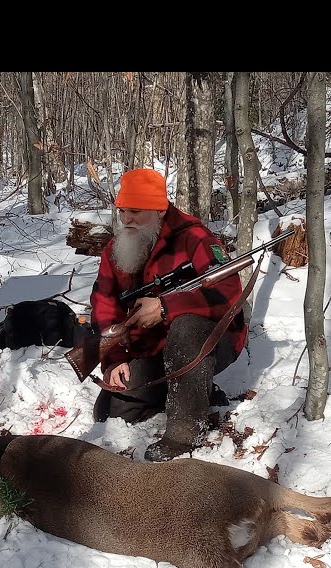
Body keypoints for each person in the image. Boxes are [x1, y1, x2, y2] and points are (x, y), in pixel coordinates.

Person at [91, 168, 246, 462]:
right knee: (111, 410)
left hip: (208, 341)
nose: (126, 219)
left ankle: (186, 431)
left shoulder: (196, 238)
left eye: (136, 211)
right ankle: (198, 393)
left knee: (187, 326)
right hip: (153, 347)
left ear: (160, 210)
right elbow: (104, 302)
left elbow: (228, 295)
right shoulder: (117, 247)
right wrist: (114, 358)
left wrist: (165, 308)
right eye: (122, 210)